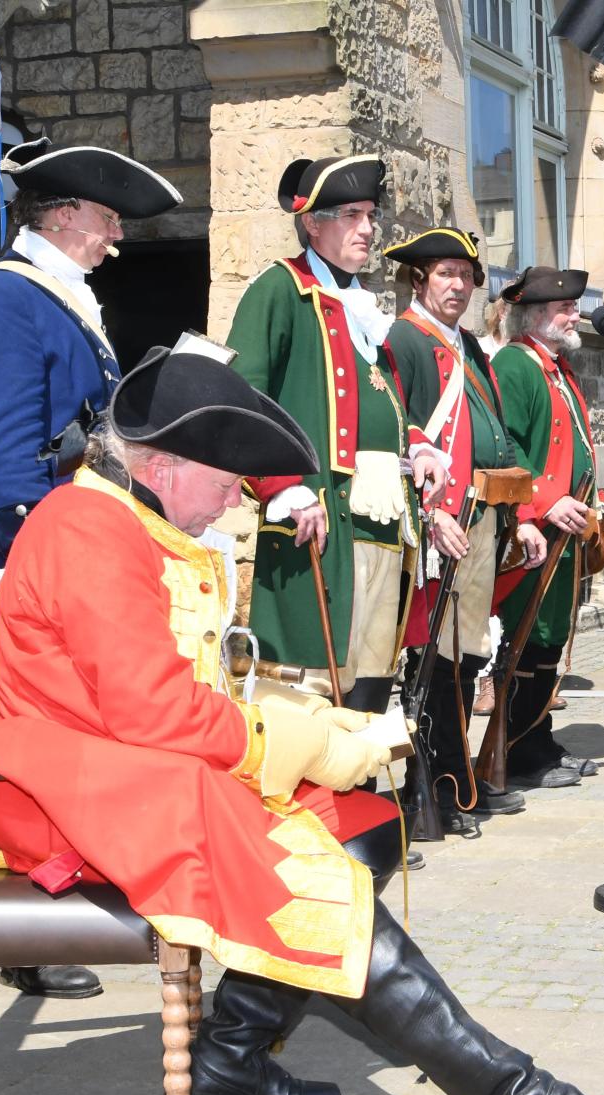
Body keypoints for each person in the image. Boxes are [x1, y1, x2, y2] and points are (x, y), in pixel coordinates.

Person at [0, 344, 604, 1095]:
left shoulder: (126, 516)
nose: (238, 499)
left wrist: (308, 724)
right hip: (70, 794)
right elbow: (155, 712)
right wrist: (305, 744)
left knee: (364, 826)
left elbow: (165, 701)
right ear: (162, 464)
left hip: (129, 772)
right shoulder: (89, 528)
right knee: (312, 881)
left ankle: (231, 1054)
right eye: (226, 478)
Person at [0, 134, 180, 1001]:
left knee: (70, 739)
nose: (116, 234)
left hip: (67, 548)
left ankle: (61, 901)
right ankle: (28, 933)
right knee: (33, 744)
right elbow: (5, 466)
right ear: (67, 214)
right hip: (29, 557)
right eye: (108, 217)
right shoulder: (6, 300)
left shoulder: (60, 296)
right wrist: (64, 568)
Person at [226, 154, 446, 717]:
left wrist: (418, 445)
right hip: (320, 520)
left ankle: (363, 799)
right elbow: (240, 400)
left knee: (372, 676)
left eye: (371, 214)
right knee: (311, 684)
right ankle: (315, 804)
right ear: (312, 222)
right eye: (351, 214)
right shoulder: (279, 290)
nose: (368, 228)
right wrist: (282, 487)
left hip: (384, 522)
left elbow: (389, 400)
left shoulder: (363, 306)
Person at [385, 226, 538, 836]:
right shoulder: (406, 339)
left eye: (466, 274)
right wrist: (430, 512)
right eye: (445, 273)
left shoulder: (468, 347)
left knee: (464, 657)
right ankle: (435, 789)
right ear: (419, 279)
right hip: (439, 525)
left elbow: (495, 436)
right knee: (432, 660)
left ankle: (455, 782)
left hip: (480, 518)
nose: (458, 284)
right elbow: (399, 432)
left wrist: (518, 515)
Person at [484, 266, 604, 787]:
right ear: (536, 316)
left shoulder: (556, 367)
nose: (574, 314)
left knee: (548, 640)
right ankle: (517, 751)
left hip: (566, 531)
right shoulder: (518, 366)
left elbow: (574, 445)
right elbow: (505, 448)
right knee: (526, 639)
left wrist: (595, 501)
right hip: (534, 533)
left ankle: (538, 739)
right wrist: (538, 502)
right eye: (565, 308)